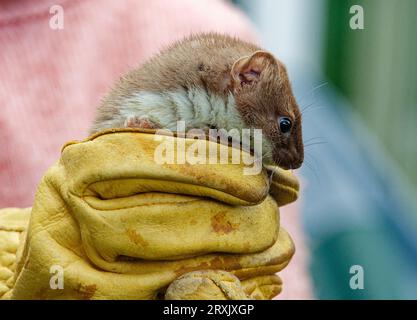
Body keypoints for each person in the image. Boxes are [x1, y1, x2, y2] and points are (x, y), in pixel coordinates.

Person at [0, 0, 312, 299]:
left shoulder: (209, 21)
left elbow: (282, 279)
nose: (294, 158)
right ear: (245, 77)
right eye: (284, 127)